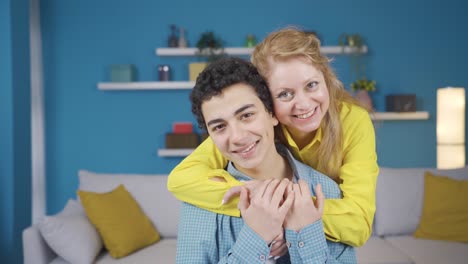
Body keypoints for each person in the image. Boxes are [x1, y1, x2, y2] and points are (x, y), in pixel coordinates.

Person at [168, 27, 379, 247]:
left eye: (311, 85)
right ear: (266, 102)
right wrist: (254, 197)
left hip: (325, 242)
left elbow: (358, 223)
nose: (304, 104)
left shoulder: (353, 121)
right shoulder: (254, 128)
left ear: (326, 79)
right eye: (285, 94)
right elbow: (181, 179)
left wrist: (281, 208)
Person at [176, 57, 356, 263]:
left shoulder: (327, 191)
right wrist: (256, 236)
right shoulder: (200, 203)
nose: (237, 137)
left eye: (246, 115)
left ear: (271, 114)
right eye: (219, 127)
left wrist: (306, 233)